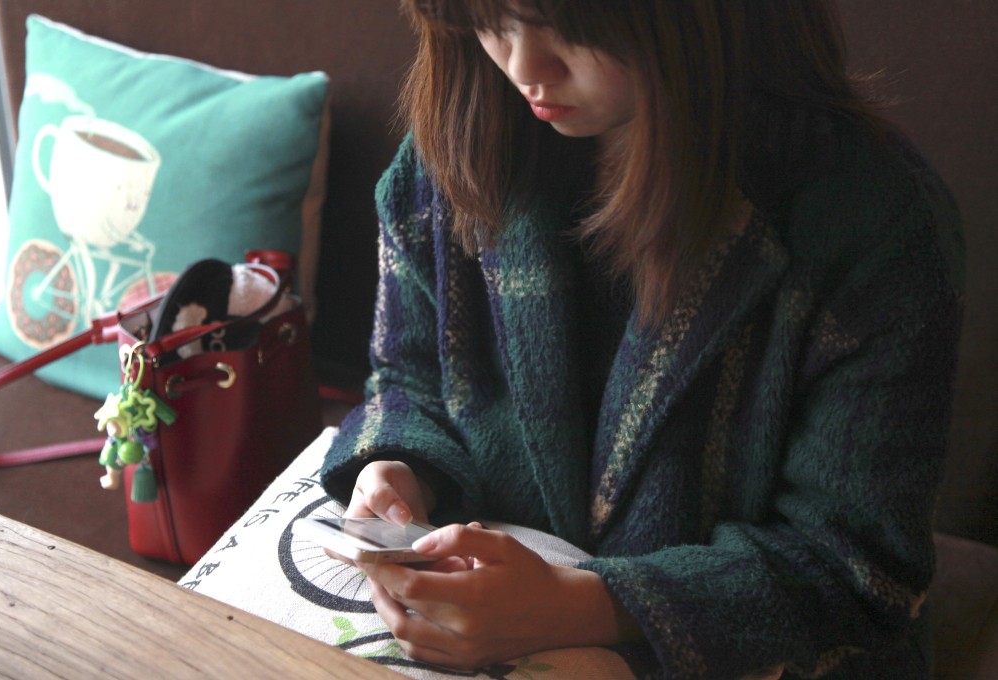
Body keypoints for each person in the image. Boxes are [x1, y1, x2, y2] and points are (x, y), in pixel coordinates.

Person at [319, 0, 965, 677]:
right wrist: (395, 470)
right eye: (489, 20)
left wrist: (586, 607)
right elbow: (409, 377)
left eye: (569, 27)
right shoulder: (452, 151)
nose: (523, 66)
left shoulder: (875, 226)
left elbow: (859, 570)